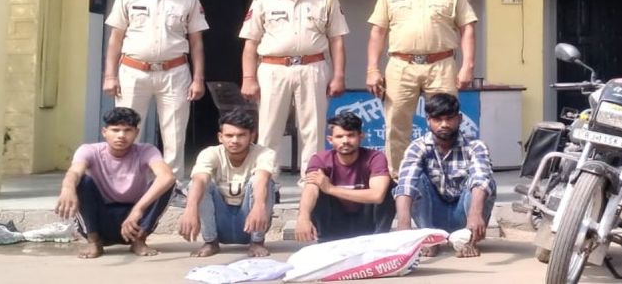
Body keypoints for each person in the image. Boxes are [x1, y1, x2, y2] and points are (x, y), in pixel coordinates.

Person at [366, 0, 478, 175]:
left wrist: (467, 66)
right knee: (396, 125)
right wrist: (372, 69)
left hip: (441, 65)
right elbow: (378, 32)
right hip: (401, 66)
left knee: (445, 122)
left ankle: (446, 174)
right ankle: (399, 178)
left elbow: (467, 28)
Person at [239, 0, 349, 175]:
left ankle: (311, 180)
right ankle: (266, 179)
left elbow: (336, 40)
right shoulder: (263, 1)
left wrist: (338, 75)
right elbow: (251, 43)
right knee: (269, 128)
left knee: (313, 129)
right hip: (273, 68)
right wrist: (248, 78)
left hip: (313, 67)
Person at [103, 0, 209, 180]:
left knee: (174, 132)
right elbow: (115, 39)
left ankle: (172, 185)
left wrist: (198, 79)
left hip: (175, 71)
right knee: (126, 128)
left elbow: (196, 43)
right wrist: (110, 76)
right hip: (133, 70)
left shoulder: (188, 0)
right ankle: (126, 181)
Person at [55, 107, 176, 259]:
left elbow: (167, 177)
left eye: (127, 130)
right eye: (115, 130)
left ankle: (139, 240)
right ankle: (93, 241)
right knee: (81, 181)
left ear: (136, 133)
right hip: (100, 220)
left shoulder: (146, 150)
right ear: (104, 132)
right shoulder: (89, 150)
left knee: (168, 183)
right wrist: (67, 188)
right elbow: (74, 172)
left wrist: (137, 210)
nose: (121, 135)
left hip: (135, 223)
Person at [394, 93, 496, 258]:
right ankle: (429, 240)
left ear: (459, 119)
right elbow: (406, 184)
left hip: (466, 217)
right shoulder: (417, 147)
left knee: (483, 184)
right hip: (432, 217)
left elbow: (481, 178)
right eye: (437, 119)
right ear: (428, 120)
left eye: (449, 119)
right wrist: (403, 225)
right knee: (415, 181)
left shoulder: (475, 146)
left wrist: (475, 215)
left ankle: (467, 240)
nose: (444, 124)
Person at [178, 109, 278, 257]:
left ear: (252, 136)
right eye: (229, 135)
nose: (235, 140)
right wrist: (190, 209)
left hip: (251, 222)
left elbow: (261, 180)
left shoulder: (265, 153)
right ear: (220, 137)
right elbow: (199, 179)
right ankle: (210, 242)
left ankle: (257, 242)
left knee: (265, 182)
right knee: (197, 184)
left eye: (241, 135)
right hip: (220, 221)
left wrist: (259, 206)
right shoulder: (210, 153)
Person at [295, 111, 395, 242]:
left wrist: (331, 189)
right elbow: (310, 190)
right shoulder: (320, 159)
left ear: (361, 136)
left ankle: (378, 240)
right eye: (339, 136)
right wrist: (303, 217)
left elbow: (377, 195)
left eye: (351, 135)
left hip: (367, 222)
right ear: (330, 140)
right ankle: (325, 240)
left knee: (389, 186)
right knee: (316, 186)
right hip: (334, 223)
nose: (345, 141)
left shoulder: (375, 157)